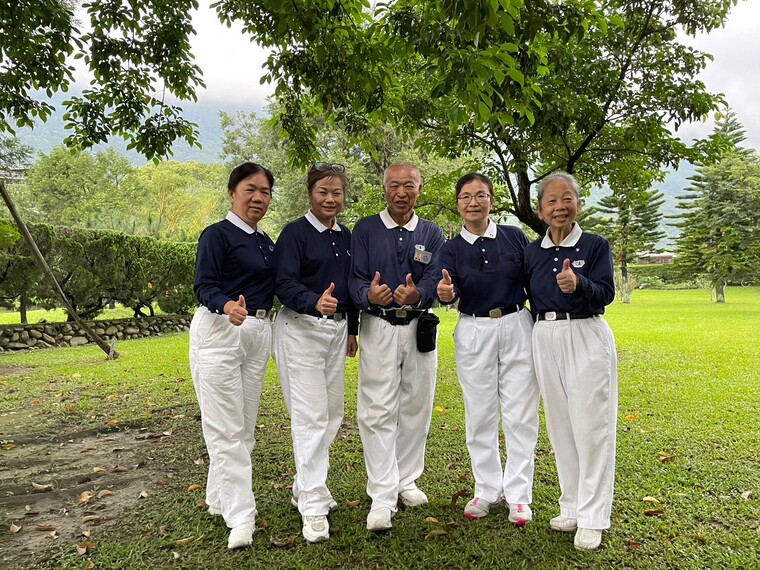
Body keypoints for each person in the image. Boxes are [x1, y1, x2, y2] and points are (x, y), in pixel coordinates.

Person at [436, 173, 539, 525]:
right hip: (474, 328)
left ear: (492, 201)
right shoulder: (450, 249)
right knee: (480, 413)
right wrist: (446, 294)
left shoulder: (514, 236)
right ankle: (487, 489)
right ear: (458, 204)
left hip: (516, 323)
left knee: (520, 413)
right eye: (466, 196)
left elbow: (533, 280)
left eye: (481, 195)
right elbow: (445, 290)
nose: (473, 202)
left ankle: (519, 495)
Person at [523, 171, 617, 551]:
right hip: (544, 335)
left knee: (591, 427)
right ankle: (572, 506)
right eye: (551, 200)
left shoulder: (594, 245)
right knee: (560, 426)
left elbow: (605, 293)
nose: (560, 206)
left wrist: (579, 285)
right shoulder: (533, 251)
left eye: (567, 199)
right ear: (540, 209)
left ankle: (593, 517)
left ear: (578, 203)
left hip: (584, 334)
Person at [348, 161, 445, 531]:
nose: (401, 193)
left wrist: (418, 293)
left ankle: (406, 479)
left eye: (409, 185)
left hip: (419, 327)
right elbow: (355, 279)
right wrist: (369, 295)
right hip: (379, 326)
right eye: (394, 185)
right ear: (384, 188)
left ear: (420, 187)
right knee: (377, 409)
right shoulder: (366, 229)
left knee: (417, 406)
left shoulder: (432, 232)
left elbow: (436, 275)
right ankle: (382, 494)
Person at [189, 162, 276, 550]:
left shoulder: (265, 241)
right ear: (231, 193)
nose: (258, 197)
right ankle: (241, 516)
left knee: (243, 427)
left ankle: (218, 499)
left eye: (265, 191)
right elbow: (204, 286)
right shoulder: (217, 235)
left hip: (257, 333)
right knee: (225, 429)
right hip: (221, 331)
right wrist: (227, 306)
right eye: (250, 189)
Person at [272, 163, 359, 543]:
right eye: (323, 191)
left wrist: (352, 329)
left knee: (332, 414)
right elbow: (283, 282)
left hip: (337, 332)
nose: (330, 199)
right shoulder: (295, 234)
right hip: (301, 329)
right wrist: (313, 301)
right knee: (310, 417)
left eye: (336, 192)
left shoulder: (347, 236)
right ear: (310, 193)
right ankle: (312, 503)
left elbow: (353, 285)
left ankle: (302, 485)